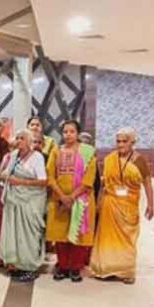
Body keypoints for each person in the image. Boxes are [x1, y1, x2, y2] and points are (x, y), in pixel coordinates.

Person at [90, 128, 154, 284]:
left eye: (124, 141)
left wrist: (151, 205)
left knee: (127, 239)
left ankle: (126, 271)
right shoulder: (110, 159)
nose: (120, 145)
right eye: (118, 141)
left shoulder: (139, 160)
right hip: (109, 204)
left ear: (132, 142)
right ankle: (106, 269)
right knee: (106, 238)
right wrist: (98, 202)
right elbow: (104, 183)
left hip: (128, 207)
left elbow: (147, 182)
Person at [46, 120, 97, 283]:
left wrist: (72, 197)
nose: (68, 135)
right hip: (59, 199)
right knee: (60, 234)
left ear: (78, 133)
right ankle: (62, 266)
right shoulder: (56, 151)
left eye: (72, 131)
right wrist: (62, 196)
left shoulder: (87, 152)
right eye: (65, 132)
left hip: (82, 199)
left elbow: (89, 179)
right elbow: (50, 176)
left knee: (78, 234)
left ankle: (75, 267)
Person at [0, 130, 48, 282]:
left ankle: (30, 267)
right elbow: (3, 174)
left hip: (30, 201)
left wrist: (20, 182)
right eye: (17, 138)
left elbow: (43, 181)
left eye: (22, 138)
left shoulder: (37, 157)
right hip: (14, 200)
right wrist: (5, 176)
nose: (19, 140)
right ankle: (17, 265)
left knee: (29, 235)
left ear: (29, 141)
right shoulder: (14, 156)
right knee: (15, 233)